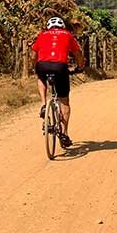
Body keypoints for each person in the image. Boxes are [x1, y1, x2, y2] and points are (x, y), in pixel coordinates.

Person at [31, 16, 85, 148]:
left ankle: (44, 104)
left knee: (40, 77)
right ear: (62, 26)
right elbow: (78, 54)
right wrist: (80, 66)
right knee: (64, 101)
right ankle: (64, 134)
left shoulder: (42, 35)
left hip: (42, 65)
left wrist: (35, 66)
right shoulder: (68, 35)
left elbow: (33, 54)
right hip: (60, 67)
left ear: (49, 26)